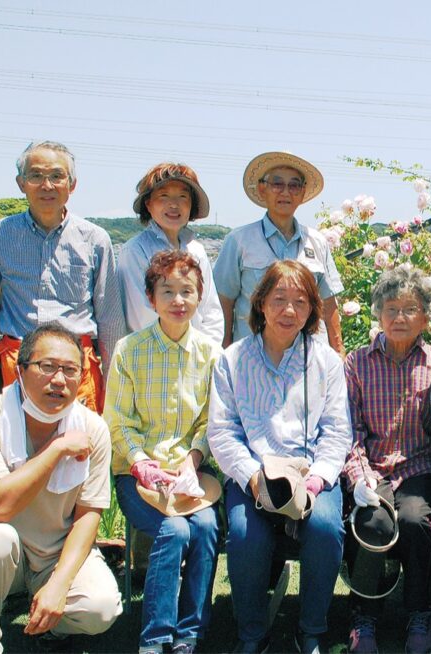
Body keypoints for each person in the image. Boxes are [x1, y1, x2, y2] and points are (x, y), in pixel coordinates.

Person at [207, 259, 352, 654]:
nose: (289, 310)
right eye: (279, 299)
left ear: (311, 311)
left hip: (310, 474)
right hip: (254, 474)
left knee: (324, 528)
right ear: (260, 304)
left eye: (301, 302)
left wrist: (318, 479)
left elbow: (338, 431)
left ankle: (311, 629)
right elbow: (221, 431)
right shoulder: (232, 360)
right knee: (244, 534)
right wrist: (253, 477)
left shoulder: (326, 362)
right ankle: (253, 633)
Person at [0, 323, 122, 653]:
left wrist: (59, 585)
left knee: (100, 609)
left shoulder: (93, 429)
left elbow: (89, 515)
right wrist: (57, 448)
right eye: (47, 367)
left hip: (53, 554)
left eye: (70, 370)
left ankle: (52, 624)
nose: (58, 380)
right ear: (20, 370)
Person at [103, 251, 221, 654]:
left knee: (204, 528)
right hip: (137, 477)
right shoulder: (128, 350)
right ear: (151, 298)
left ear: (199, 296)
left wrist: (192, 461)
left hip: (192, 475)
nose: (178, 300)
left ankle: (190, 633)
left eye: (187, 291)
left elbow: (212, 421)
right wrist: (142, 463)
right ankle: (155, 638)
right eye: (167, 291)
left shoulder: (210, 354)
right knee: (174, 530)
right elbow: (117, 420)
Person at [0, 140, 125, 414]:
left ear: (72, 184)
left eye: (56, 176)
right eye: (36, 175)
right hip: (17, 365)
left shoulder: (95, 239)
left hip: (76, 368)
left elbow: (110, 319)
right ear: (21, 183)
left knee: (77, 450)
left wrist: (115, 387)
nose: (46, 185)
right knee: (13, 454)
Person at [343, 266, 431, 654]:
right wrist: (359, 475)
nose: (400, 317)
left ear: (425, 316)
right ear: (378, 313)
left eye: (411, 308)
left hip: (420, 468)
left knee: (414, 520)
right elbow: (348, 429)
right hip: (372, 468)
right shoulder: (357, 363)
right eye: (391, 308)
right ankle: (364, 617)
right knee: (373, 522)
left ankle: (420, 613)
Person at [213, 152, 345, 354]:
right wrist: (224, 350)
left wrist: (338, 351)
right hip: (251, 356)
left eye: (294, 185)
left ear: (302, 193)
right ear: (262, 189)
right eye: (277, 184)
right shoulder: (239, 241)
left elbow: (328, 303)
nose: (285, 192)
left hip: (307, 357)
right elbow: (223, 302)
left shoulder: (317, 242)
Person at [118, 163, 225, 343]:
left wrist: (208, 351)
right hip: (152, 355)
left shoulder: (197, 250)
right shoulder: (135, 250)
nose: (174, 204)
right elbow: (141, 317)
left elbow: (211, 309)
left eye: (183, 197)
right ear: (148, 204)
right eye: (163, 196)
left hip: (199, 356)